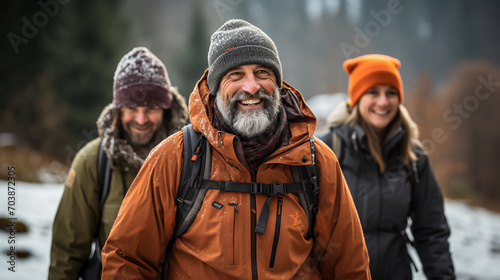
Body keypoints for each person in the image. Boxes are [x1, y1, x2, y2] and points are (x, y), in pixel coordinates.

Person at [102, 19, 371, 279]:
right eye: (236, 75)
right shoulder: (175, 157)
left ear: (277, 83)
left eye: (262, 73)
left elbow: (349, 266)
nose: (251, 86)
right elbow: (127, 260)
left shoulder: (315, 161)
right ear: (216, 87)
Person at [48, 46, 188, 280]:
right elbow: (67, 253)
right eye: (132, 108)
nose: (141, 119)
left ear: (166, 110)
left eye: (151, 109)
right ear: (118, 109)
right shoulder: (92, 162)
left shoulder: (191, 157)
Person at [318, 54, 455, 279]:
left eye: (391, 93)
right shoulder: (326, 149)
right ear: (356, 98)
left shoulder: (413, 156)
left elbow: (432, 232)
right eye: (373, 92)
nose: (383, 102)